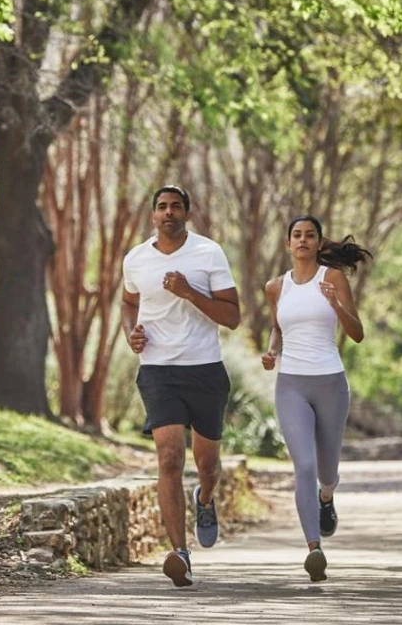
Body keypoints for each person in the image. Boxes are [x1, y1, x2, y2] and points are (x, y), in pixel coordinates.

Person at [122, 185, 241, 588]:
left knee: (207, 465)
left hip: (205, 369)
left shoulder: (209, 253)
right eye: (161, 206)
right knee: (170, 458)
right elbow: (128, 302)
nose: (168, 212)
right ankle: (180, 554)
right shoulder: (136, 258)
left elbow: (232, 316)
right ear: (153, 215)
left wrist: (189, 292)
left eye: (176, 206)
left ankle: (205, 499)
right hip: (158, 370)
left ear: (187, 213)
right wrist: (131, 332)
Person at [261, 214, 371, 582]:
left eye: (310, 235)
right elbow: (277, 329)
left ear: (319, 243)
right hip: (291, 385)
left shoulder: (333, 278)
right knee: (304, 466)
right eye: (297, 235)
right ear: (288, 244)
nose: (303, 240)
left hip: (330, 384)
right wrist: (272, 352)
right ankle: (314, 549)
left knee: (326, 471)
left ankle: (327, 496)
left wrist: (336, 305)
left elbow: (357, 333)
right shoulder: (275, 287)